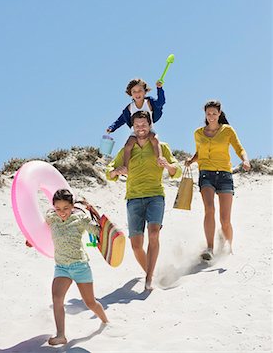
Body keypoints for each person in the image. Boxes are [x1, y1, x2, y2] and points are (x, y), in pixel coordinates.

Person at [106, 110, 182, 290]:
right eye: (137, 125)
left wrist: (168, 165)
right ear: (133, 127)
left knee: (154, 233)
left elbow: (176, 170)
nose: (141, 128)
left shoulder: (161, 146)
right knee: (136, 246)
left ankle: (148, 278)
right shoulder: (127, 148)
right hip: (133, 198)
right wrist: (116, 171)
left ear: (150, 126)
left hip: (155, 195)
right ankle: (152, 274)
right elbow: (109, 172)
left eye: (144, 125)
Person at [185, 100, 251, 261]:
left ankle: (228, 246)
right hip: (206, 173)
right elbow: (199, 152)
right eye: (209, 113)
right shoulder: (198, 133)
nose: (211, 116)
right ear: (205, 114)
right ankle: (209, 248)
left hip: (224, 175)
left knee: (225, 219)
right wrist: (191, 160)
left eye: (214, 113)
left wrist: (245, 160)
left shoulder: (227, 130)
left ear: (219, 114)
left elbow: (239, 148)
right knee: (209, 209)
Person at [45, 189, 108, 346]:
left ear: (72, 206)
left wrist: (93, 211)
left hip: (80, 266)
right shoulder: (51, 218)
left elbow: (99, 232)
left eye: (66, 208)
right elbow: (39, 232)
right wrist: (31, 240)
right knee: (57, 299)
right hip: (61, 267)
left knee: (90, 302)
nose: (62, 212)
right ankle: (61, 335)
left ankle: (105, 321)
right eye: (58, 209)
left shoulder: (80, 219)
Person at [106, 78, 165, 170]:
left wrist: (159, 89)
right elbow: (121, 119)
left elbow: (161, 102)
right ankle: (125, 166)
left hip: (149, 130)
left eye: (140, 91)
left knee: (154, 139)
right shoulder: (130, 108)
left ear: (145, 92)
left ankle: (159, 159)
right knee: (128, 145)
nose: (137, 94)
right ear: (131, 93)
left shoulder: (149, 102)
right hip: (135, 132)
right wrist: (112, 127)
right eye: (134, 91)